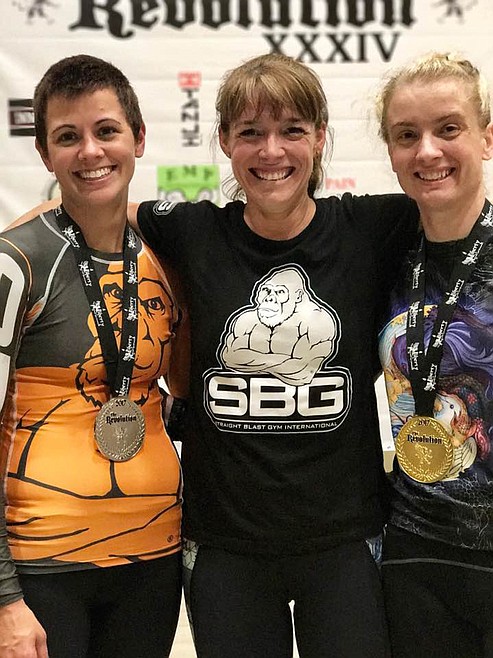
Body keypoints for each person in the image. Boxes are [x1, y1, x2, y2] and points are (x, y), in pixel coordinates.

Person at [13, 52, 418, 657]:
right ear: (225, 141)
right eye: (250, 132)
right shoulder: (193, 231)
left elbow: (456, 210)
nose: (271, 151)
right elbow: (83, 209)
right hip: (225, 551)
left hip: (346, 544)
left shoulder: (375, 226)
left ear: (320, 137)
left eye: (291, 130)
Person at [0, 54, 188, 658]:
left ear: (138, 137)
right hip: (41, 568)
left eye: (106, 130)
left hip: (153, 560)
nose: (90, 151)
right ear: (44, 154)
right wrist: (4, 599)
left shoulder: (166, 257)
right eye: (67, 137)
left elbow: (175, 394)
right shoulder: (15, 262)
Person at [376, 52, 493, 657]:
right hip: (415, 552)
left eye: (448, 128)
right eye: (406, 135)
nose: (427, 151)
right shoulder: (382, 254)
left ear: (486, 138)